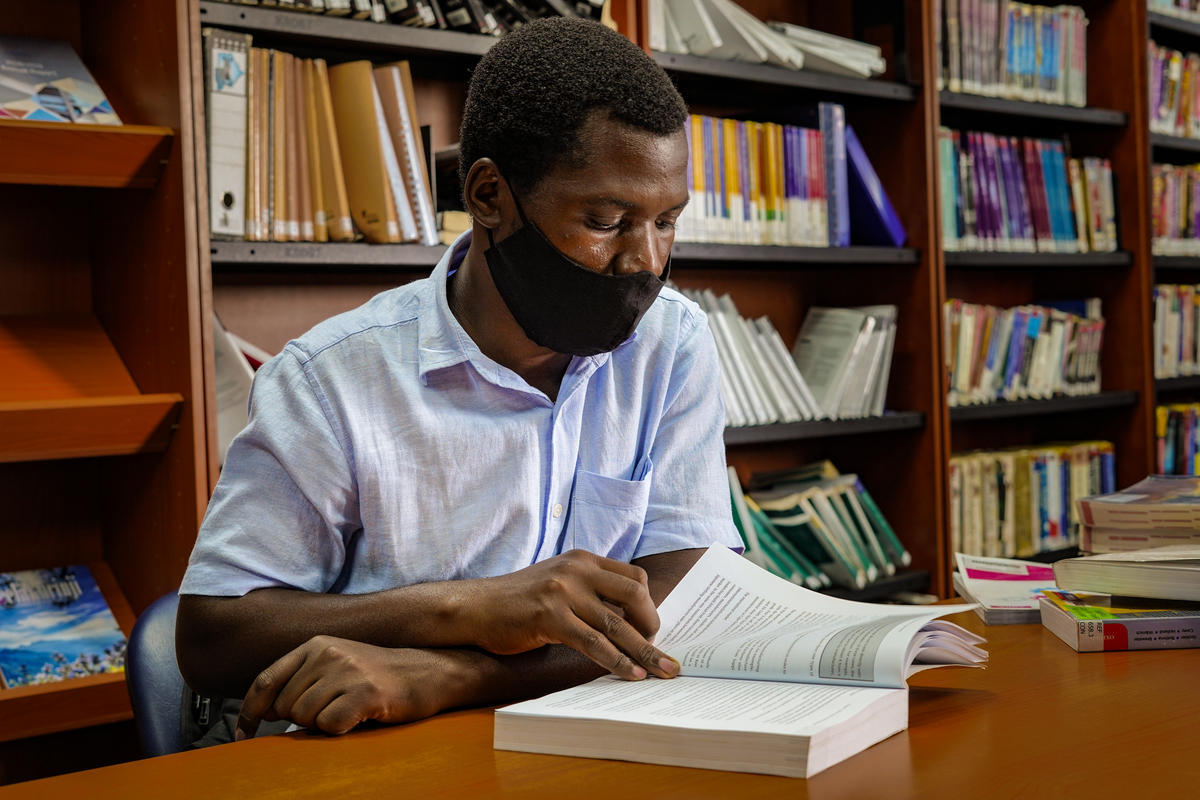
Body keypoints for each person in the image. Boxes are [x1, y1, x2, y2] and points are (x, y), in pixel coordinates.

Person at [176, 16, 741, 742]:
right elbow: (211, 637)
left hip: (590, 748)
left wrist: (460, 677)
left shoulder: (671, 341)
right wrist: (466, 608)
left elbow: (687, 606)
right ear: (487, 197)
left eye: (668, 222)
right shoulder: (330, 380)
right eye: (605, 221)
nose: (645, 261)